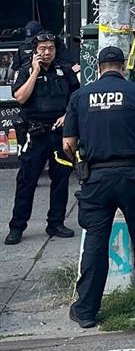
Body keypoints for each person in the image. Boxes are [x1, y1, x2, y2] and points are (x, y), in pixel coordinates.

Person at [63, 47, 135, 328]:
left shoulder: (80, 97)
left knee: (96, 243)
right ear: (123, 67)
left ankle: (86, 310)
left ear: (98, 68)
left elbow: (68, 143)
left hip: (96, 178)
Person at [6, 32, 79, 246]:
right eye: (42, 49)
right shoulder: (25, 71)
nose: (47, 53)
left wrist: (67, 116)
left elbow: (75, 99)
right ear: (35, 51)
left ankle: (55, 223)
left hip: (59, 134)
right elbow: (20, 97)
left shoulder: (64, 71)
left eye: (51, 48)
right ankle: (17, 226)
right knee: (26, 181)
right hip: (34, 134)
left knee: (61, 180)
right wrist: (34, 71)